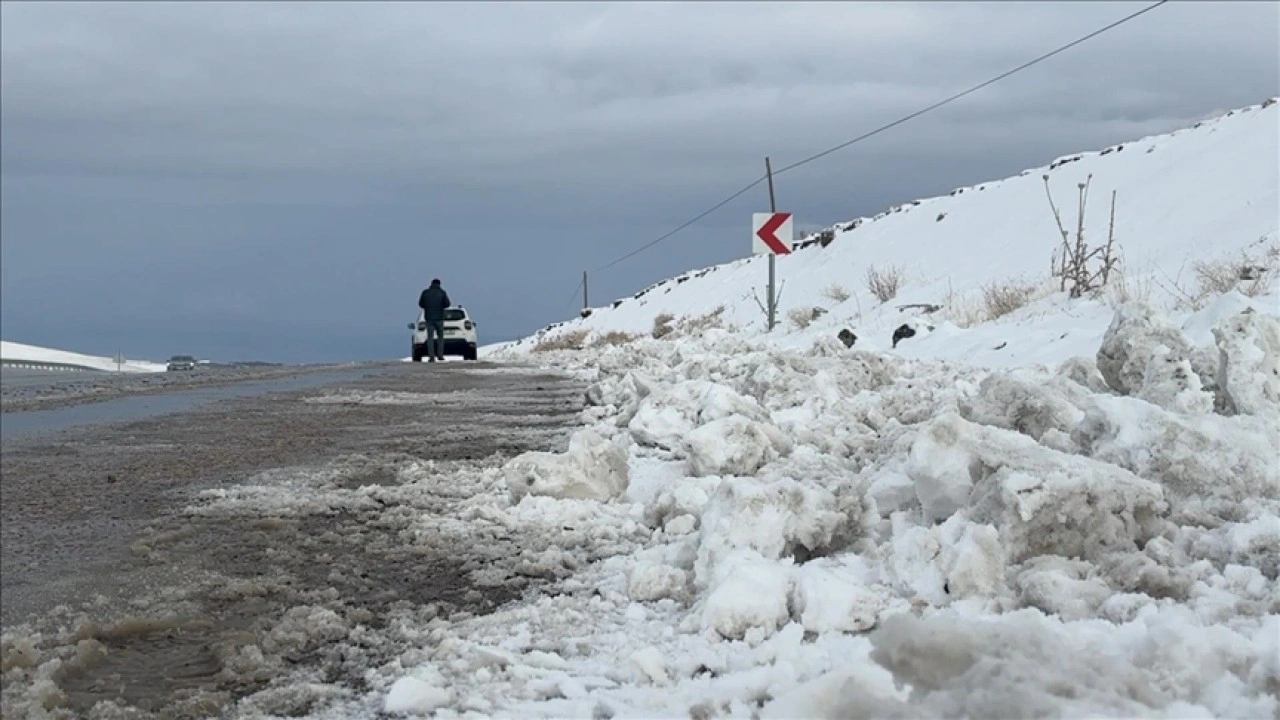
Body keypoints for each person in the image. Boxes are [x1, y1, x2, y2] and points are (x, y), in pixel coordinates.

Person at [417, 278, 451, 362]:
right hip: (439, 318)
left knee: (430, 338)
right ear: (439, 284)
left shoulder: (425, 292)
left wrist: (427, 307)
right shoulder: (442, 293)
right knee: (440, 338)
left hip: (429, 318)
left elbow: (420, 304)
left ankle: (431, 356)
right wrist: (441, 306)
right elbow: (447, 304)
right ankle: (440, 355)